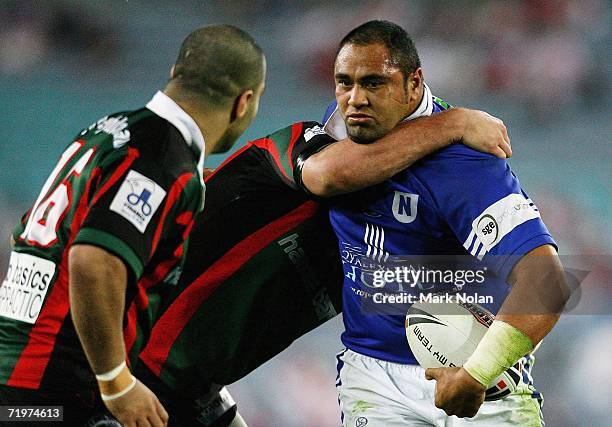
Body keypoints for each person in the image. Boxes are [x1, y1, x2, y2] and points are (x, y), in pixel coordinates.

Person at [132, 93, 512, 425]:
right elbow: (329, 172)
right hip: (132, 364)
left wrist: (477, 372)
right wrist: (453, 123)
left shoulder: (375, 256)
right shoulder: (291, 154)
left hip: (193, 390)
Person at [0, 24, 265, 427]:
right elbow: (94, 260)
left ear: (176, 70)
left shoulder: (111, 129)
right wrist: (117, 384)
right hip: (49, 398)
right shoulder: (162, 161)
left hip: (20, 387)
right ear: (244, 102)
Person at [324, 21, 569, 426]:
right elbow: (323, 177)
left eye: (374, 83)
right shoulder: (339, 134)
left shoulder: (465, 166)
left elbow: (547, 283)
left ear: (414, 85)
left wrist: (477, 373)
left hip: (479, 375)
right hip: (375, 379)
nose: (355, 99)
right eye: (343, 83)